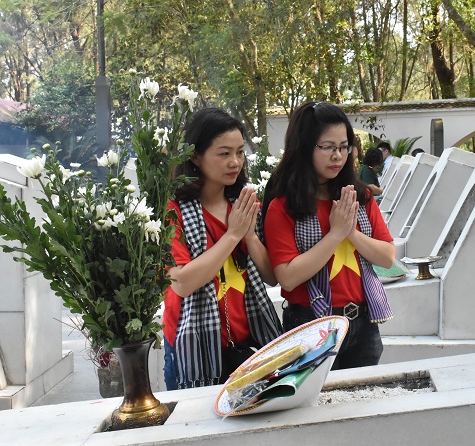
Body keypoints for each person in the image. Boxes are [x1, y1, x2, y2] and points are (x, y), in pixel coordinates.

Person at [263, 101, 395, 369]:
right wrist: (335, 235)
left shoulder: (359, 197)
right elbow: (287, 277)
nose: (338, 156)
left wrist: (350, 233)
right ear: (304, 147)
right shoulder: (284, 207)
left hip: (363, 322)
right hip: (310, 326)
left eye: (344, 146)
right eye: (328, 147)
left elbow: (387, 257)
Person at [163, 107, 282, 389]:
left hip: (248, 342)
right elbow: (181, 283)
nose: (235, 162)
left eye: (240, 152)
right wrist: (233, 235)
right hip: (191, 344)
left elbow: (271, 276)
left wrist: (250, 237)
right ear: (195, 156)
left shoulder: (245, 204)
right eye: (224, 153)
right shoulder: (173, 210)